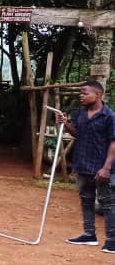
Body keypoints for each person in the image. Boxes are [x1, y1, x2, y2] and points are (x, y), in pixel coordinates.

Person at [55, 80, 115, 254]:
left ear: (98, 94)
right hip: (83, 164)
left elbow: (113, 143)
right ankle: (89, 235)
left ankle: (112, 241)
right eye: (80, 93)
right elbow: (78, 134)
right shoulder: (81, 112)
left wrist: (106, 168)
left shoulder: (109, 116)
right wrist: (66, 124)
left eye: (85, 93)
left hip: (101, 167)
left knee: (108, 203)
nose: (81, 96)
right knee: (86, 200)